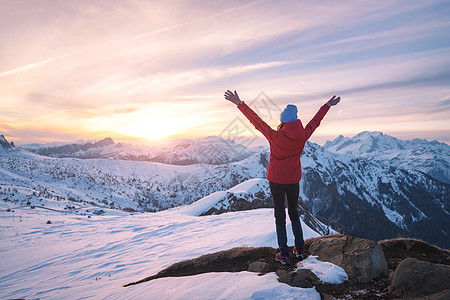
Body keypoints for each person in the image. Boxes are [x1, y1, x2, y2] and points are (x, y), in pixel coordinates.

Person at [224, 90, 340, 265]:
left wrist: (239, 103)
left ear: (283, 121)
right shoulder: (303, 135)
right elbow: (315, 122)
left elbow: (257, 122)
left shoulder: (275, 136)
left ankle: (283, 253)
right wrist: (326, 106)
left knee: (280, 215)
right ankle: (300, 249)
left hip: (276, 180)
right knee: (294, 213)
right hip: (293, 180)